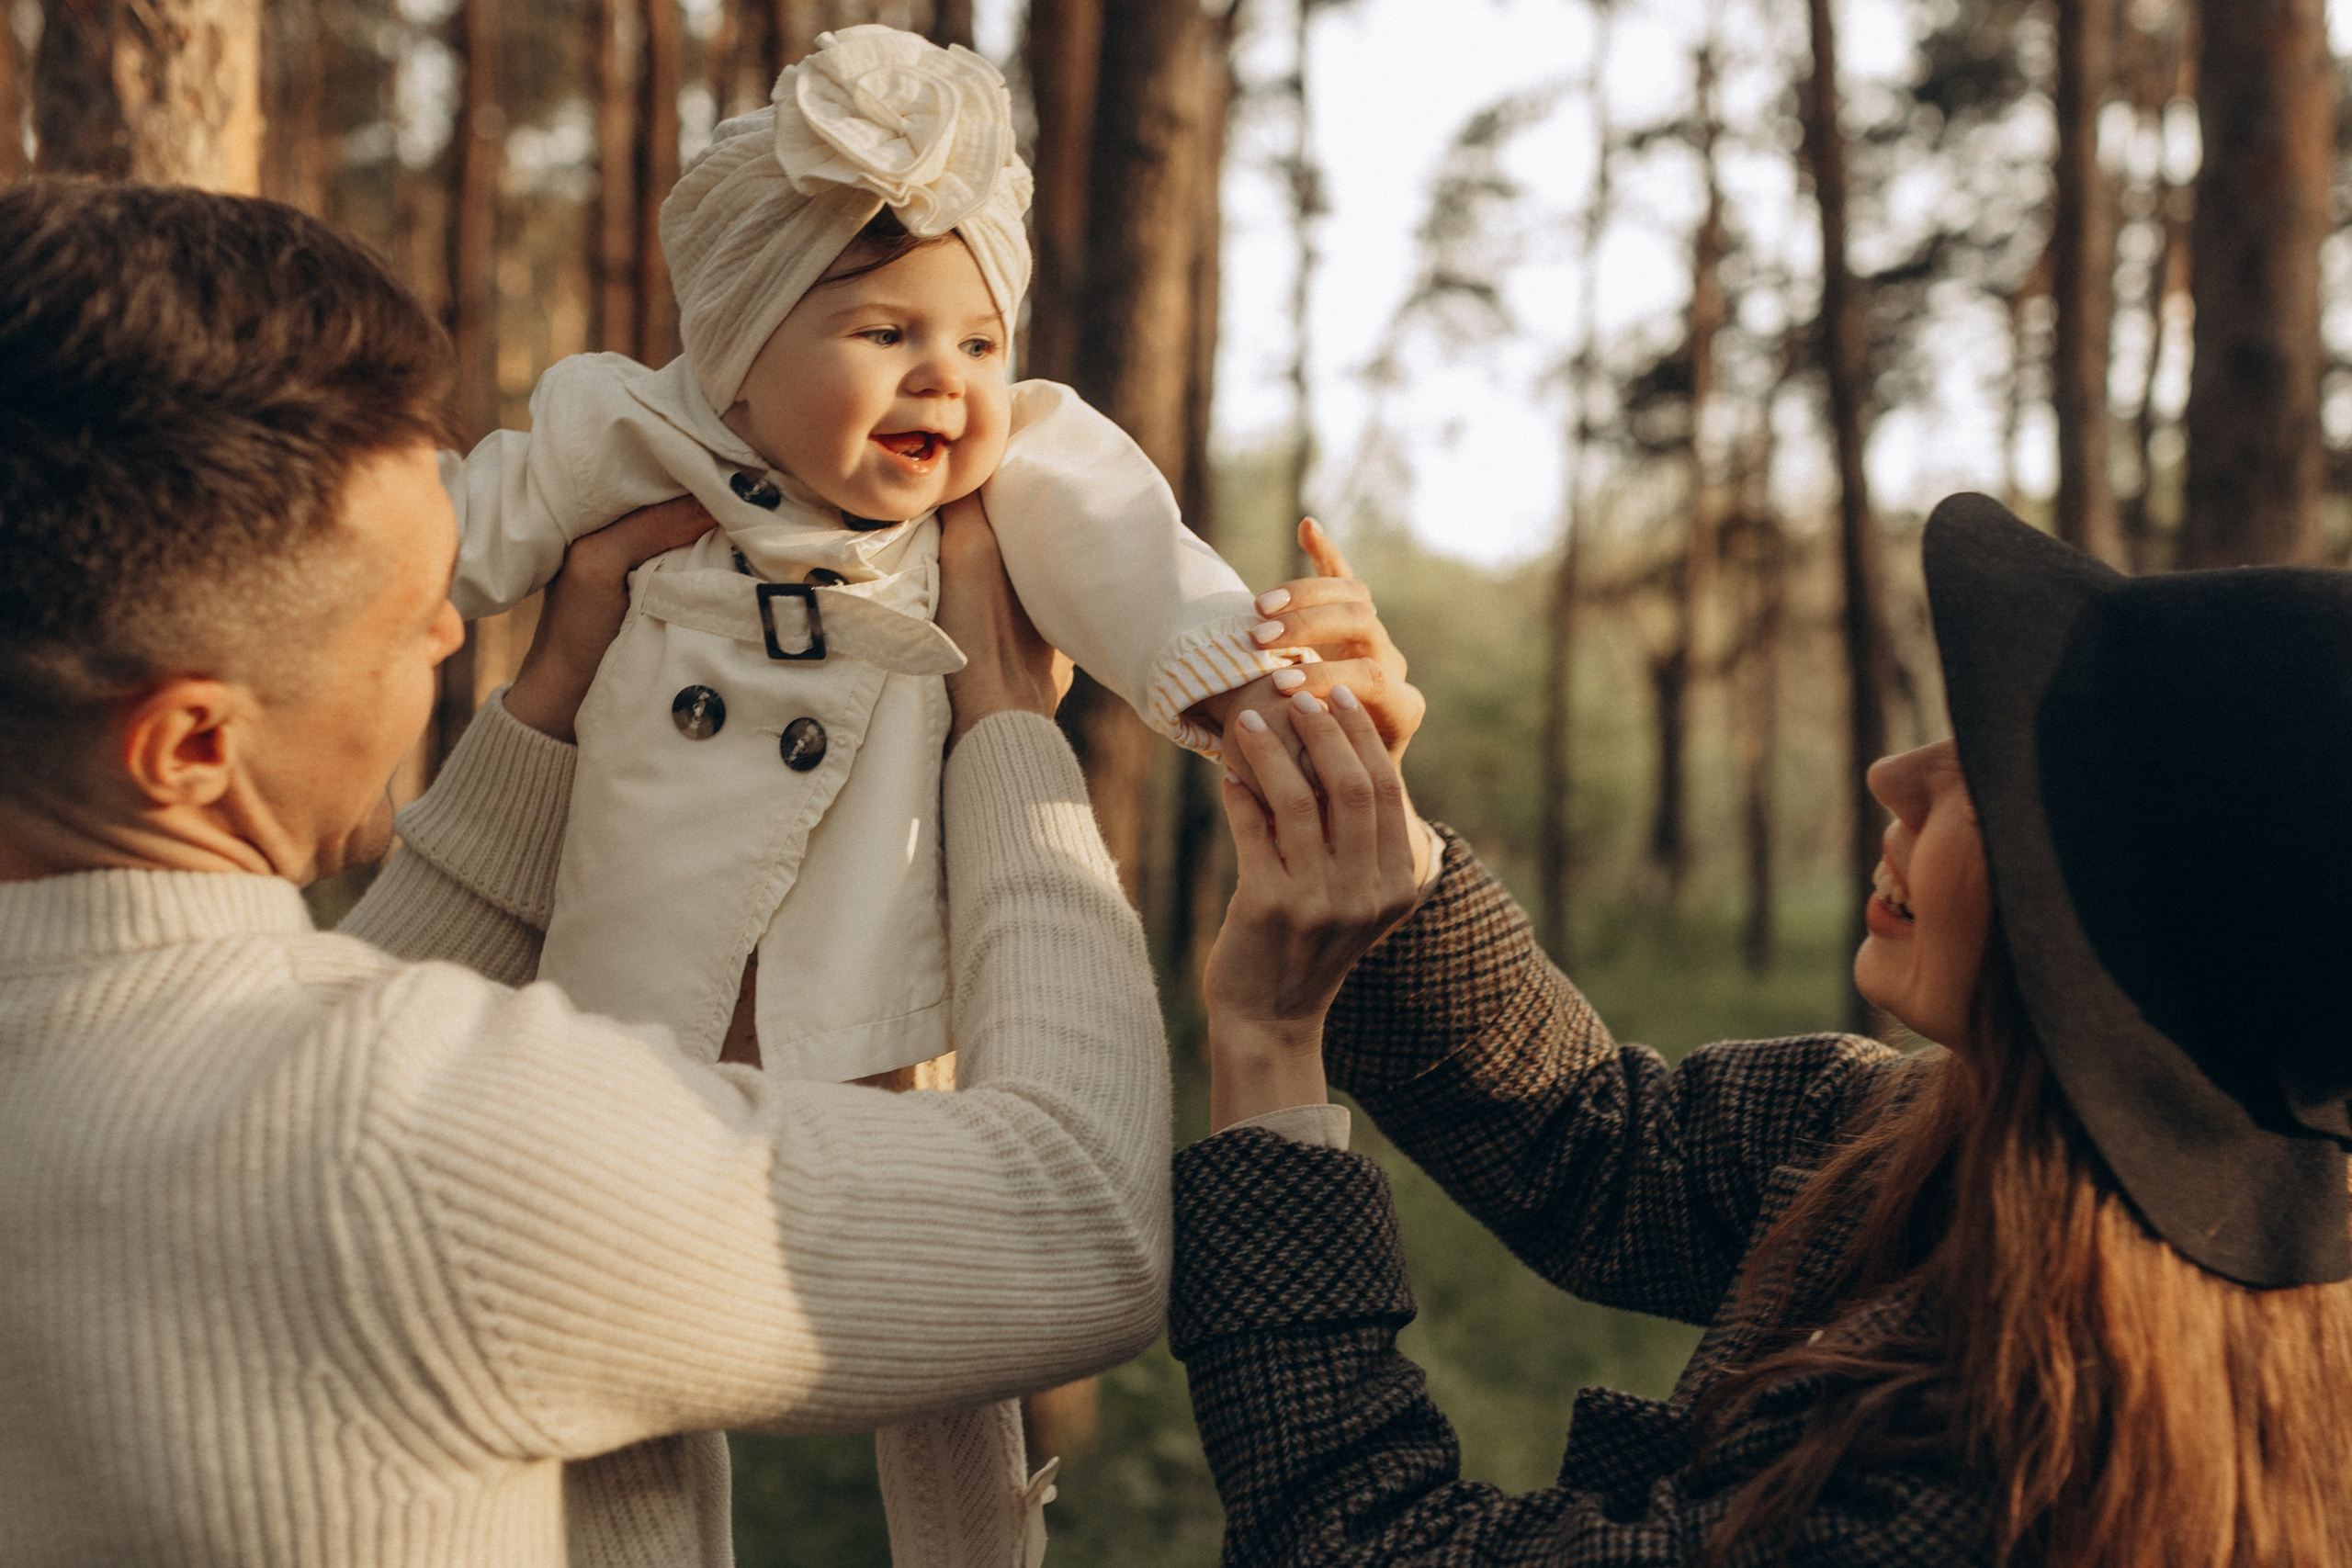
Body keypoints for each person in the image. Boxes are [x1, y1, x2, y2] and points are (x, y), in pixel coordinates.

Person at [0, 176, 1180, 1568]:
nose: (449, 633)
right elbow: (1080, 1219)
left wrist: (558, 694)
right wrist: (1009, 732)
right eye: (399, 621)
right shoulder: (424, 1151)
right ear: (190, 740)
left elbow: (283, 1024)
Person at [1176, 492, 2352, 1565]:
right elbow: (1602, 1141)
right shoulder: (1911, 1123)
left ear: (2122, 925)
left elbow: (1370, 1547)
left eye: (1992, 779)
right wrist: (1376, 820)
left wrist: (1273, 1046)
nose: (1897, 774)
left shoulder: (2014, 1474)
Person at [444, 23, 1340, 1090]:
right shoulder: (631, 429)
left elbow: (1132, 554)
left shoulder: (1015, 470)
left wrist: (1250, 688)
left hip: (860, 1003)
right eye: (884, 335)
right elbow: (439, 536)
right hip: (620, 979)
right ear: (737, 354)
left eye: (977, 343)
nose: (944, 381)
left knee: (850, 1147)